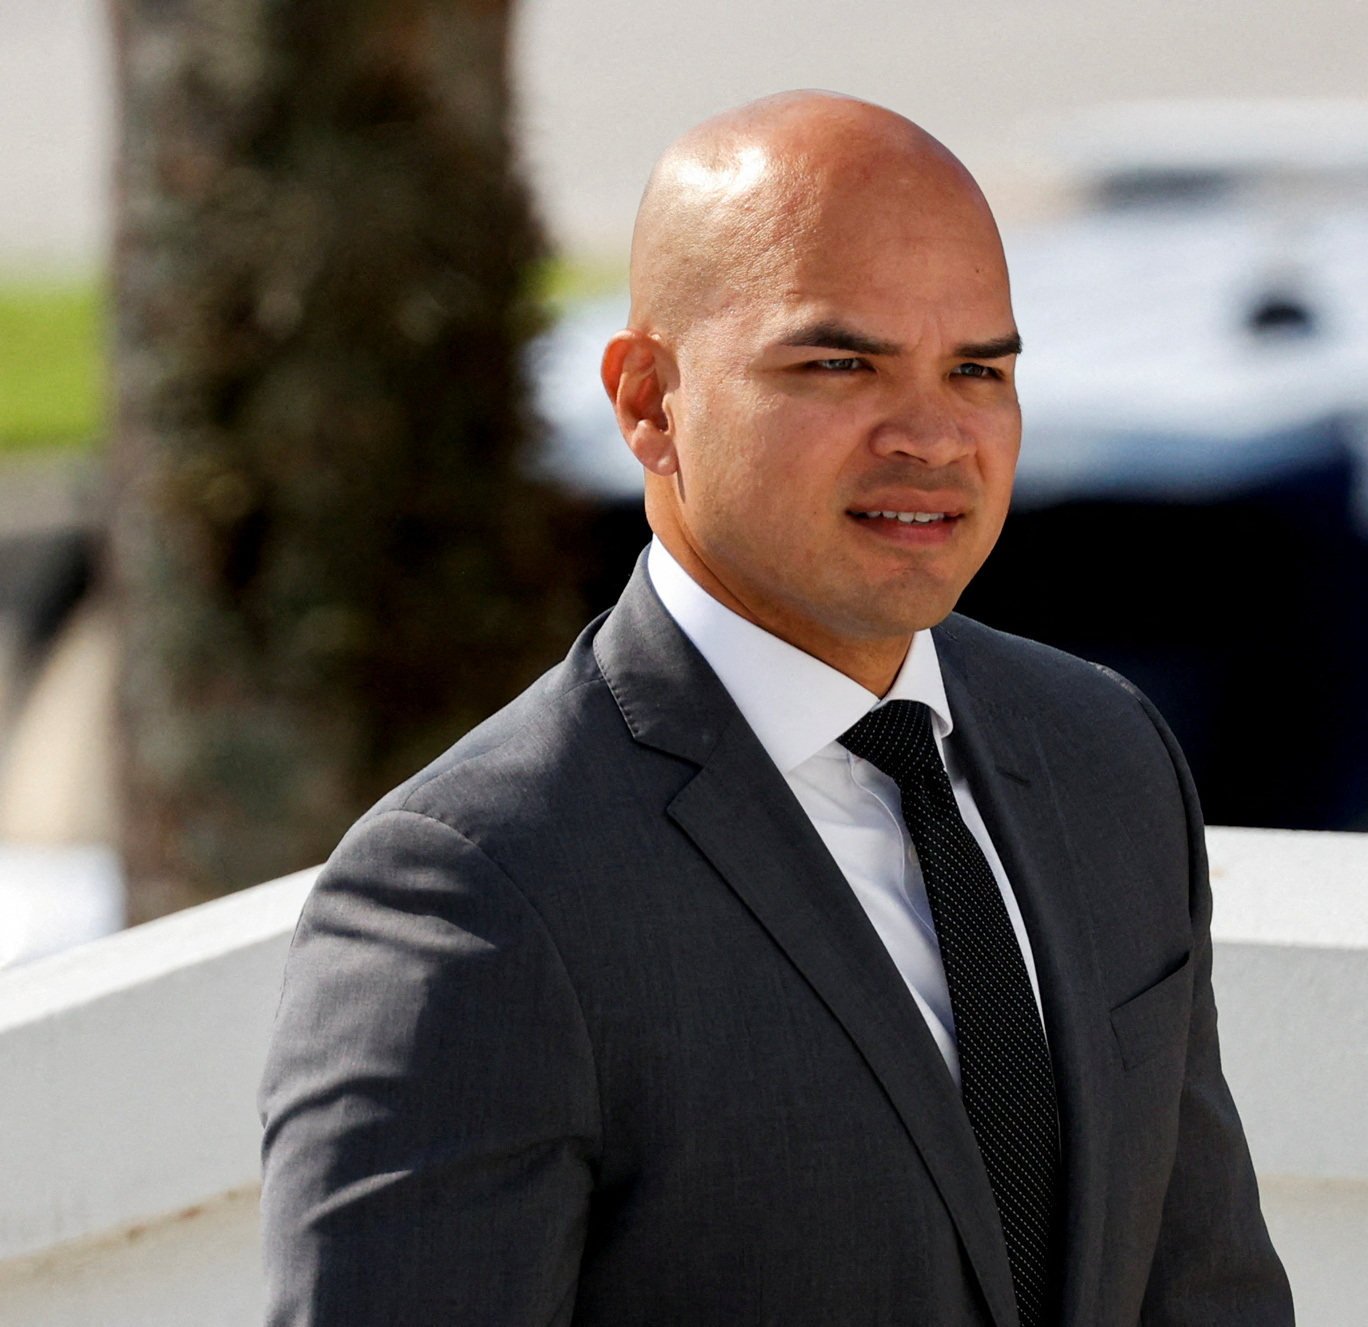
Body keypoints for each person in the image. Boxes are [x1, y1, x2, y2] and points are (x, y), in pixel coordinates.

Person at [258, 90, 1293, 1326]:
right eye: (837, 364)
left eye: (976, 369)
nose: (931, 436)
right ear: (649, 400)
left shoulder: (1103, 755)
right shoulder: (475, 894)